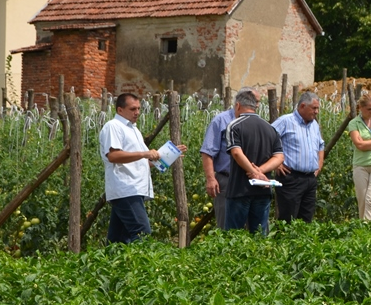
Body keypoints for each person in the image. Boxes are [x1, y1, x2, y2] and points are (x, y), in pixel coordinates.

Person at [99, 93, 186, 244]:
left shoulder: (133, 130)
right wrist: (144, 153)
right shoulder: (113, 126)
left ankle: (109, 265)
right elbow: (113, 156)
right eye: (133, 109)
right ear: (120, 110)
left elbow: (142, 162)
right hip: (125, 188)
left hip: (133, 189)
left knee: (118, 241)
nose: (137, 112)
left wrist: (168, 156)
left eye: (138, 108)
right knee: (142, 233)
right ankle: (142, 267)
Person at [224, 89, 284, 234]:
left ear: (238, 105)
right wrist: (260, 172)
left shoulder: (234, 126)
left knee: (233, 236)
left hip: (240, 190)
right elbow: (279, 157)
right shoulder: (270, 128)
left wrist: (254, 172)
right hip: (263, 189)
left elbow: (237, 153)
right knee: (259, 236)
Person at [200, 87, 257, 230]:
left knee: (253, 228)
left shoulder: (256, 121)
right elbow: (208, 152)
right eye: (254, 103)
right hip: (227, 180)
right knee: (227, 226)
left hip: (251, 180)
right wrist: (211, 179)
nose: (255, 106)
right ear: (238, 104)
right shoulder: (221, 121)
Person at [271, 91, 325, 223]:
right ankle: (283, 244)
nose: (316, 111)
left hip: (310, 179)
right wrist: (276, 163)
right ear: (302, 106)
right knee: (288, 220)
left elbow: (321, 145)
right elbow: (267, 139)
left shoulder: (314, 125)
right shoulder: (286, 121)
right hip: (291, 178)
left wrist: (319, 164)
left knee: (306, 220)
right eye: (314, 108)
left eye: (317, 108)